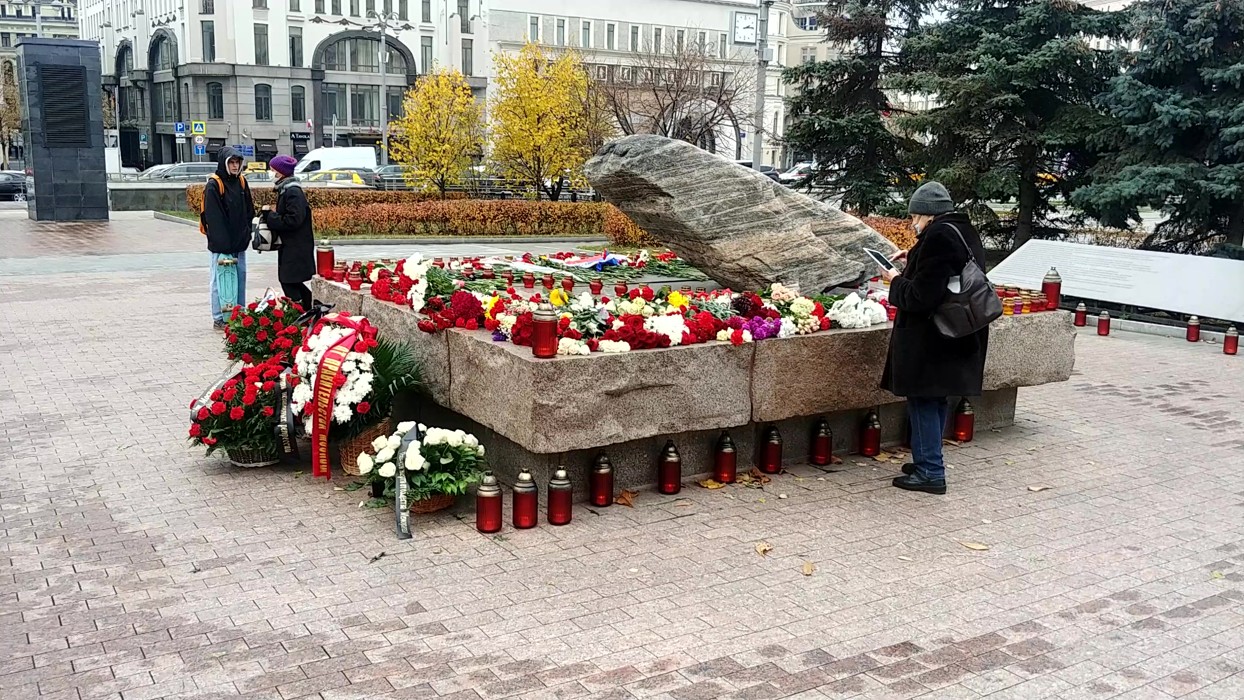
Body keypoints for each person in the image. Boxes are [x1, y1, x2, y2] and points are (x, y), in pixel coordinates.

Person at [879, 182, 989, 495]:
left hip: (934, 338)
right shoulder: (960, 230)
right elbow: (944, 272)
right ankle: (926, 460)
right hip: (954, 335)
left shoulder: (938, 237)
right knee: (934, 399)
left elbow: (920, 297)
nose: (913, 223)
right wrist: (913, 256)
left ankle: (930, 472)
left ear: (928, 215)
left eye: (915, 216)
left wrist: (896, 279)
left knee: (924, 399)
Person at [202, 146, 255, 330]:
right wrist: (224, 244)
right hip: (222, 245)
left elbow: (249, 210)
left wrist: (246, 233)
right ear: (225, 163)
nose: (234, 166)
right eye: (231, 162)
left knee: (239, 278)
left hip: (239, 243)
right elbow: (214, 218)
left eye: (237, 162)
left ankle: (238, 314)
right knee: (220, 281)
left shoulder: (241, 181)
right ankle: (219, 317)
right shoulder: (214, 185)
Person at [263, 154, 315, 312]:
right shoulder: (286, 190)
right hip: (292, 246)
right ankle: (310, 310)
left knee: (289, 281)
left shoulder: (293, 192)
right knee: (291, 281)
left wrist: (269, 216)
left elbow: (293, 220)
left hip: (296, 247)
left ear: (280, 172)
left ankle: (301, 312)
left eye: (272, 170)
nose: (270, 173)